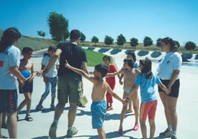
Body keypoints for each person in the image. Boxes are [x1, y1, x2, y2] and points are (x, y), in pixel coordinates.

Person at [37, 29, 88, 138]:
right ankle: (70, 130)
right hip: (75, 78)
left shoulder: (62, 45)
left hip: (62, 77)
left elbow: (55, 56)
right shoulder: (81, 51)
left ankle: (55, 122)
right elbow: (84, 68)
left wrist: (45, 71)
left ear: (70, 37)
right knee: (73, 105)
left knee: (61, 103)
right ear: (79, 39)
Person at [65, 62, 125, 139]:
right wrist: (122, 100)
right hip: (103, 105)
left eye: (94, 71)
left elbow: (82, 73)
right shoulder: (105, 83)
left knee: (100, 130)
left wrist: (70, 67)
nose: (93, 72)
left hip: (96, 106)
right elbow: (113, 94)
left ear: (99, 74)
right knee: (101, 126)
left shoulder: (96, 82)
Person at [126, 57, 170, 139]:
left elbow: (135, 87)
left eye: (140, 65)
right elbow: (161, 85)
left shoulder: (141, 75)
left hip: (146, 101)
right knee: (152, 121)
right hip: (154, 100)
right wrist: (167, 90)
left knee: (142, 121)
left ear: (144, 66)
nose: (139, 66)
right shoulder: (154, 74)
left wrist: (127, 97)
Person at [0, 27, 29, 138]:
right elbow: (13, 70)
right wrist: (23, 79)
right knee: (12, 113)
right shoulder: (13, 50)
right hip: (7, 87)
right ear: (15, 38)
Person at [106, 58, 140, 135]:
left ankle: (136, 123)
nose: (124, 64)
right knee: (124, 108)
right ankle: (120, 126)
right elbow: (113, 74)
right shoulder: (124, 70)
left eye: (125, 63)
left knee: (135, 107)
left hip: (134, 91)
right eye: (124, 62)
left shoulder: (136, 71)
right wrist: (105, 74)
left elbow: (144, 75)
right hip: (126, 91)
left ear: (130, 64)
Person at [157, 37, 182, 139]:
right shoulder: (164, 57)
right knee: (166, 108)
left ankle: (174, 134)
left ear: (168, 45)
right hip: (162, 83)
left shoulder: (176, 55)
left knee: (172, 109)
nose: (161, 46)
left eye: (162, 44)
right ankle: (169, 128)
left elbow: (176, 72)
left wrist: (169, 86)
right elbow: (158, 71)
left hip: (172, 83)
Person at [36, 46, 59, 111]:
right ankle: (39, 104)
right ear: (48, 51)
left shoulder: (55, 58)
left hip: (54, 77)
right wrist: (44, 77)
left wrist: (59, 75)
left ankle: (52, 104)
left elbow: (57, 68)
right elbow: (42, 69)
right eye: (51, 51)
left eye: (54, 51)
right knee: (47, 91)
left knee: (54, 91)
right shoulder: (45, 58)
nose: (52, 52)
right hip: (48, 77)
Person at [16, 47, 34, 121]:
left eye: (31, 54)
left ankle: (28, 114)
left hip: (30, 81)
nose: (30, 55)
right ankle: (16, 113)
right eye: (29, 54)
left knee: (29, 99)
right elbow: (16, 73)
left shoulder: (31, 63)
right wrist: (19, 80)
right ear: (24, 54)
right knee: (28, 98)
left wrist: (32, 77)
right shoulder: (19, 62)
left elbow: (33, 72)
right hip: (23, 82)